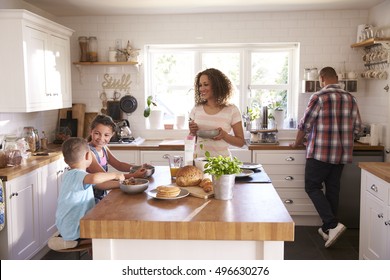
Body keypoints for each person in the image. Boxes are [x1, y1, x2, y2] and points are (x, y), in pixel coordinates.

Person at [290, 66, 362, 248]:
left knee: (312, 186)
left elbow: (305, 124)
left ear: (322, 79)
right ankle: (329, 229)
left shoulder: (319, 97)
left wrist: (297, 143)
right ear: (337, 78)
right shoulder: (350, 98)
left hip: (320, 152)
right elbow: (358, 129)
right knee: (333, 189)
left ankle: (332, 224)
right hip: (341, 153)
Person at [50, 137, 125, 250]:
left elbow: (100, 184)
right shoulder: (78, 175)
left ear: (65, 161)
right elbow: (95, 178)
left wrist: (122, 185)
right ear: (88, 156)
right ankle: (74, 242)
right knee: (111, 233)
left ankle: (76, 242)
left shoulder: (71, 175)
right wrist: (115, 175)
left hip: (68, 226)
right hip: (75, 229)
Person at [87, 114, 147, 201]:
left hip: (102, 194)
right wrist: (133, 175)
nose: (101, 138)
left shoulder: (104, 148)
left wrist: (138, 167)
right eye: (97, 133)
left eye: (106, 135)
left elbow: (118, 164)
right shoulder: (88, 152)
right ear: (91, 131)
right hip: (90, 198)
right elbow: (105, 176)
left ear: (112, 135)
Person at [189, 68, 245, 157]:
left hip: (222, 164)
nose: (202, 89)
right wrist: (192, 132)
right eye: (200, 85)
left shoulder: (232, 110)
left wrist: (225, 136)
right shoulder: (196, 109)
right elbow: (191, 140)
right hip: (199, 162)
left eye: (206, 84)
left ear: (217, 85)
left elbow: (241, 142)